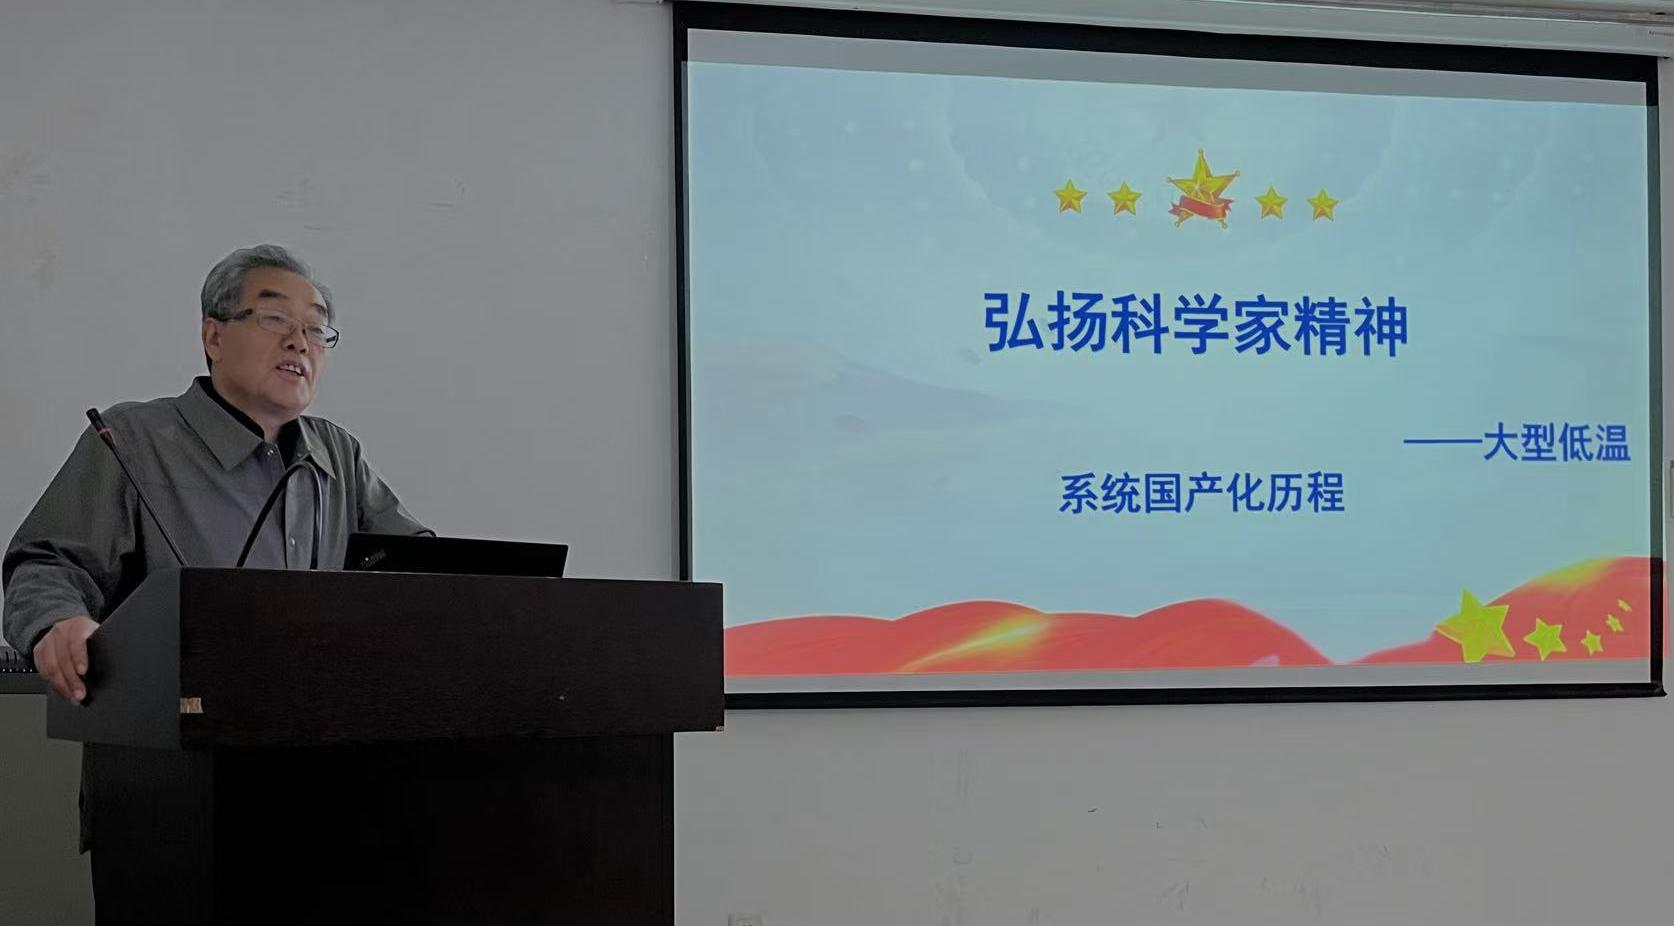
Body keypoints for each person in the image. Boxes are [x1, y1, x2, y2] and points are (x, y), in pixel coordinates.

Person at [0, 244, 429, 916]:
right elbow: (46, 563)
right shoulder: (132, 439)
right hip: (168, 793)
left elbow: (420, 569)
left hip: (327, 786)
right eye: (275, 318)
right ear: (213, 335)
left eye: (316, 328)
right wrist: (58, 622)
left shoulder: (336, 454)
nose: (300, 341)